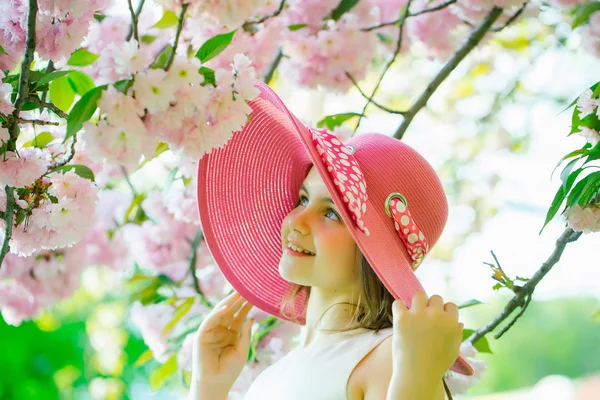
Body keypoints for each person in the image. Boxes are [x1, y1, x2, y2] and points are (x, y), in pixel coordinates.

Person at [189, 80, 475, 400]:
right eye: (302, 199)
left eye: (331, 214)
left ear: (374, 255)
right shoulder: (269, 379)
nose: (296, 220)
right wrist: (208, 388)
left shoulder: (388, 359)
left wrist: (417, 378)